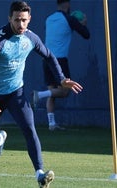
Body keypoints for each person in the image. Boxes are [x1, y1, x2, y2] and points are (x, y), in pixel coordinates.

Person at [0, 1, 83, 187]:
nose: (20, 25)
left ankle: (40, 174)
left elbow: (49, 55)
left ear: (29, 19)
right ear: (9, 18)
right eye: (17, 20)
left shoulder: (31, 38)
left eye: (24, 20)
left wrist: (62, 79)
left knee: (30, 129)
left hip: (16, 93)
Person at [32, 0, 90, 131]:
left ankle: (52, 124)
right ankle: (39, 95)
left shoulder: (49, 19)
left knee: (52, 92)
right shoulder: (70, 19)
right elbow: (86, 35)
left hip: (46, 59)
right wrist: (84, 23)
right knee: (64, 92)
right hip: (59, 60)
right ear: (67, 4)